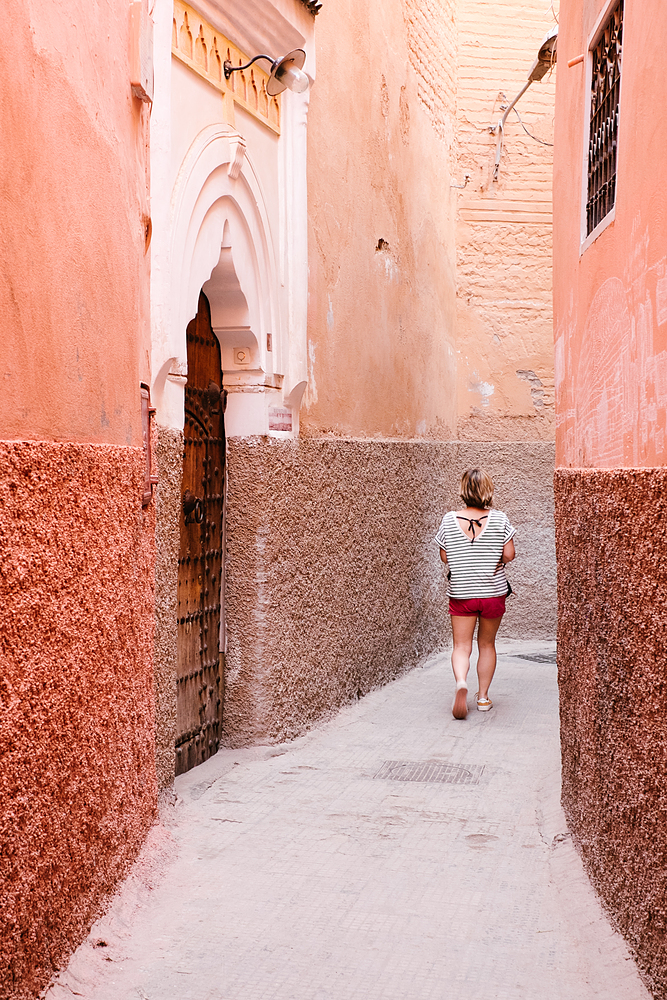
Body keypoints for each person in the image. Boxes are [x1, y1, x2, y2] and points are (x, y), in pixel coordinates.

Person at [434, 468, 516, 720]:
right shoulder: (501, 519)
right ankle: (482, 698)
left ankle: (461, 681)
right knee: (487, 645)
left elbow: (445, 557)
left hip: (462, 593)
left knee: (461, 646)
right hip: (492, 593)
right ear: (487, 491)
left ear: (463, 491)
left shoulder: (449, 520)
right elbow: (509, 555)